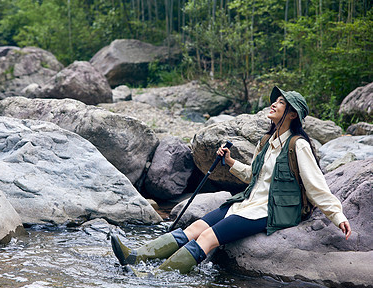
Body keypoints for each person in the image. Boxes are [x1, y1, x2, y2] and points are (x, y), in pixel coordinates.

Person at [111, 86, 352, 275]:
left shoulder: (298, 145)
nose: (273, 103)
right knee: (194, 228)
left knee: (206, 239)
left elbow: (316, 186)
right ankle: (134, 257)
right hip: (248, 202)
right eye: (275, 100)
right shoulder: (266, 141)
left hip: (271, 210)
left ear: (291, 114)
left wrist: (337, 215)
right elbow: (252, 177)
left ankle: (151, 280)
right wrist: (228, 162)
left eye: (280, 102)